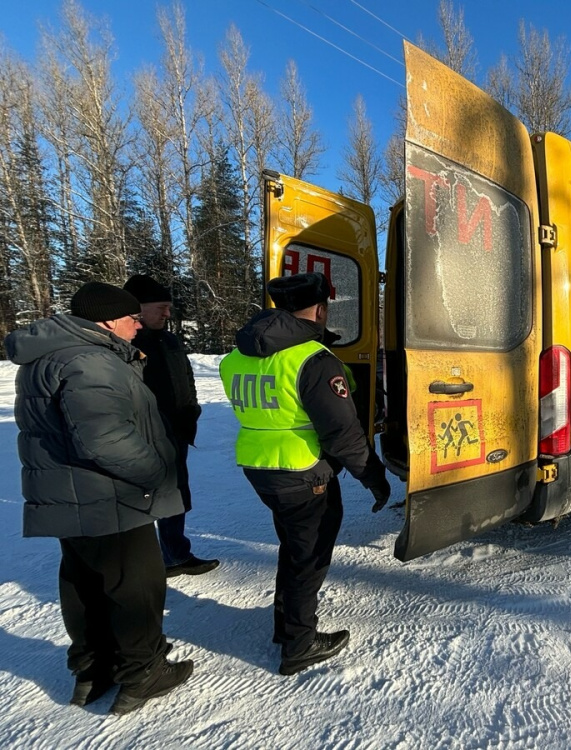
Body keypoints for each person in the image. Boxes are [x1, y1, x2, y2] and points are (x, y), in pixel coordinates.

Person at [4, 281, 195, 715]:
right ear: (108, 320)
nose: (136, 326)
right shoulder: (91, 362)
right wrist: (156, 470)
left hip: (67, 497)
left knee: (84, 584)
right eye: (131, 318)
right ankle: (143, 671)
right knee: (136, 587)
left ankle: (92, 672)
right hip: (108, 498)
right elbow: (104, 440)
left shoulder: (45, 357)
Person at [219, 272, 391, 676]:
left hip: (260, 467)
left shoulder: (238, 356)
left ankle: (286, 626)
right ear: (320, 308)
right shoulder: (312, 359)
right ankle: (299, 644)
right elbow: (342, 432)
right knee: (308, 559)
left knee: (294, 548)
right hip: (303, 471)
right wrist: (374, 477)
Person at [123, 274, 219, 578]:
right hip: (142, 437)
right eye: (161, 307)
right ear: (138, 307)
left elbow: (186, 378)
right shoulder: (124, 346)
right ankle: (140, 564)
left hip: (175, 431)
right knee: (138, 500)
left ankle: (175, 554)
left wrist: (192, 409)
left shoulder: (169, 339)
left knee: (175, 494)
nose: (167, 313)